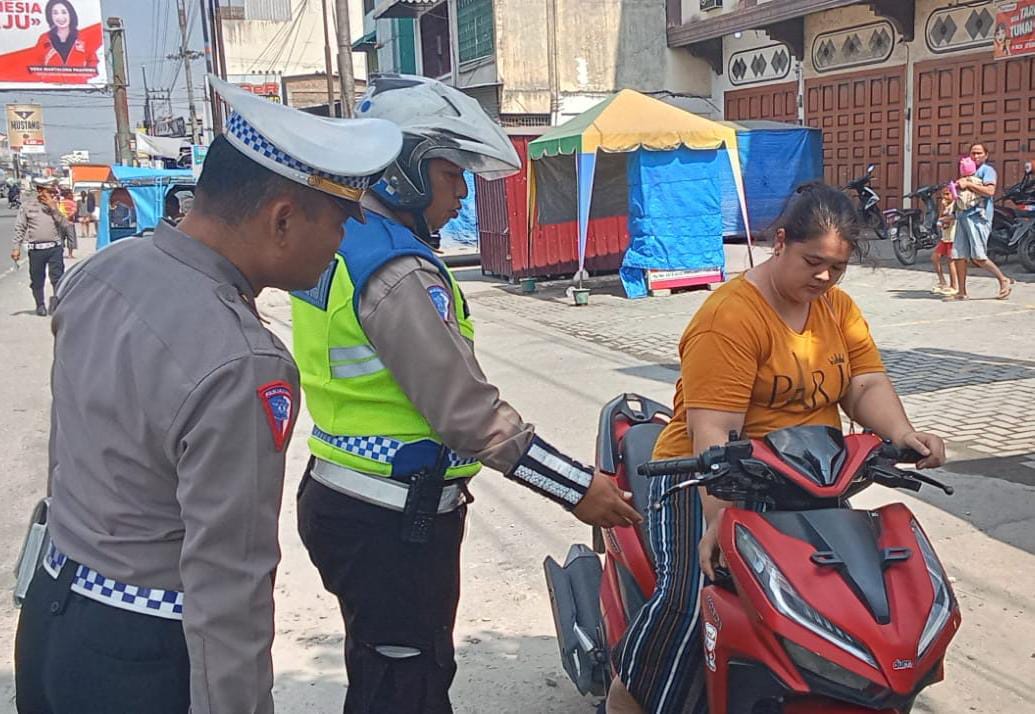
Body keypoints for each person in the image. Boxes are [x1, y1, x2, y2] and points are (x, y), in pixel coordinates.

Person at [13, 76, 402, 714]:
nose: (342, 241)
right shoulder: (244, 362)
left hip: (55, 616)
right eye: (338, 220)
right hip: (144, 657)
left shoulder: (104, 273)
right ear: (282, 219)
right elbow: (230, 586)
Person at [291, 74, 641, 714]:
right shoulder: (397, 271)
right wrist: (577, 489)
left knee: (383, 673)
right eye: (452, 174)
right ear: (405, 170)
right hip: (391, 520)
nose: (463, 191)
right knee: (408, 688)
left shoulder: (345, 240)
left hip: (353, 498)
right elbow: (470, 417)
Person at [606, 183, 947, 714]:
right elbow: (714, 429)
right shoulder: (731, 317)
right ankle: (624, 701)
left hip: (809, 479)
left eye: (837, 267)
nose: (824, 277)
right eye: (814, 262)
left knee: (850, 609)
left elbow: (863, 384)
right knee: (687, 600)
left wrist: (902, 434)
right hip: (704, 475)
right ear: (781, 242)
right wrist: (717, 520)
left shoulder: (837, 308)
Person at [951, 142, 1012, 301]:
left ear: (986, 155)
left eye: (979, 153)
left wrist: (969, 184)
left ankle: (1003, 279)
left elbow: (990, 191)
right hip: (962, 216)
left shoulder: (987, 171)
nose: (975, 156)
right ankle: (962, 291)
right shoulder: (967, 171)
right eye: (973, 153)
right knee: (959, 255)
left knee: (978, 257)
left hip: (979, 217)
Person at [10, 181, 73, 316]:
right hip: (36, 249)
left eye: (52, 191)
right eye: (48, 191)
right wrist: (16, 248)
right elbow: (20, 228)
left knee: (57, 277)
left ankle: (57, 305)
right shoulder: (27, 206)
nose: (51, 194)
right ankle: (40, 305)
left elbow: (66, 225)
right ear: (39, 191)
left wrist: (54, 208)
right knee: (37, 279)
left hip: (54, 248)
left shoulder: (56, 205)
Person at [31, 1, 101, 71]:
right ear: (50, 16)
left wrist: (84, 76)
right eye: (55, 13)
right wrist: (44, 76)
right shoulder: (44, 38)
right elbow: (35, 64)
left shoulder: (82, 38)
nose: (60, 17)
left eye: (64, 12)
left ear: (70, 14)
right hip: (51, 81)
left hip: (77, 81)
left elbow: (93, 61)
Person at [932, 185, 958, 296]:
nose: (945, 197)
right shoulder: (945, 205)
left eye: (947, 194)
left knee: (951, 262)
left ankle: (954, 286)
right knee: (935, 257)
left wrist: (943, 219)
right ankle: (942, 280)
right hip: (945, 237)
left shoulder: (955, 205)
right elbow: (940, 217)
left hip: (952, 237)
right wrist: (942, 209)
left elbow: (953, 217)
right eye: (943, 194)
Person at [58, 188, 78, 257]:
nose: (72, 195)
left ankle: (60, 253)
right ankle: (70, 254)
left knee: (61, 238)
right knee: (71, 238)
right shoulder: (73, 203)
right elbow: (74, 211)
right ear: (68, 195)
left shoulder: (61, 202)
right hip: (70, 222)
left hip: (61, 222)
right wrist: (68, 217)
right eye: (71, 194)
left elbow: (58, 211)